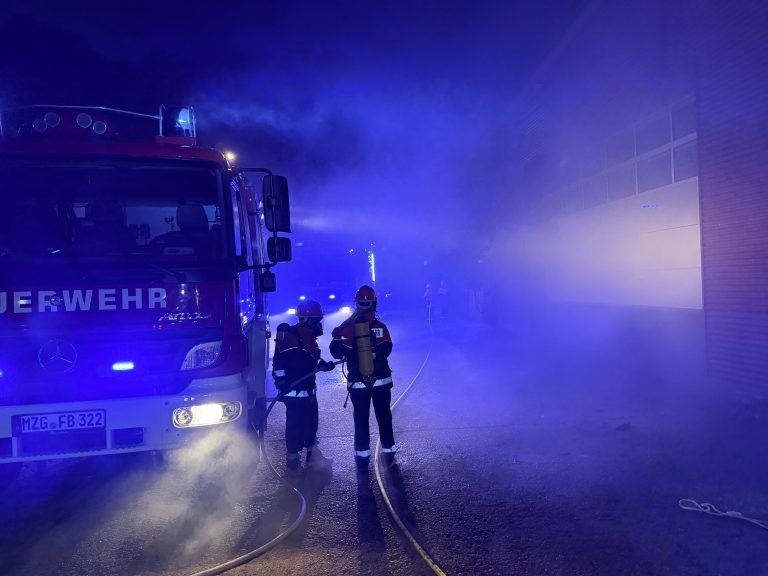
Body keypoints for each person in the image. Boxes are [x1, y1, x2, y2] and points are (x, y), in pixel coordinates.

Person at [330, 285, 396, 469]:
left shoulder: (348, 327)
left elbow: (335, 351)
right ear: (374, 303)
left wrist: (351, 350)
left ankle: (362, 458)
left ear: (357, 304)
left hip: (358, 383)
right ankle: (389, 454)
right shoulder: (380, 327)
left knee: (361, 419)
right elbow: (387, 350)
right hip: (381, 381)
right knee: (384, 417)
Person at [272, 300, 335, 471]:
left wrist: (323, 365)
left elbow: (309, 360)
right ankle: (292, 462)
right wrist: (282, 383)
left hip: (307, 391)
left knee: (311, 424)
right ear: (307, 319)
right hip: (294, 393)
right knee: (295, 426)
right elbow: (280, 363)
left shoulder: (307, 337)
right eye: (316, 320)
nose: (319, 324)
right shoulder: (295, 336)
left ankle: (313, 457)